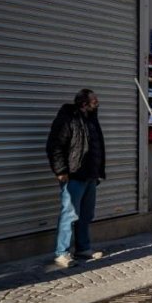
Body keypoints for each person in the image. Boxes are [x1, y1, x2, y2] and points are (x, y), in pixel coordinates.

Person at [46, 89, 105, 268]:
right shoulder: (68, 119)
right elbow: (54, 146)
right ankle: (61, 253)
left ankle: (83, 248)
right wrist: (61, 170)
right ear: (83, 103)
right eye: (94, 99)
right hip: (74, 175)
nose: (97, 101)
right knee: (69, 214)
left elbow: (97, 147)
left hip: (90, 175)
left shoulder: (91, 119)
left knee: (86, 215)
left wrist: (98, 172)